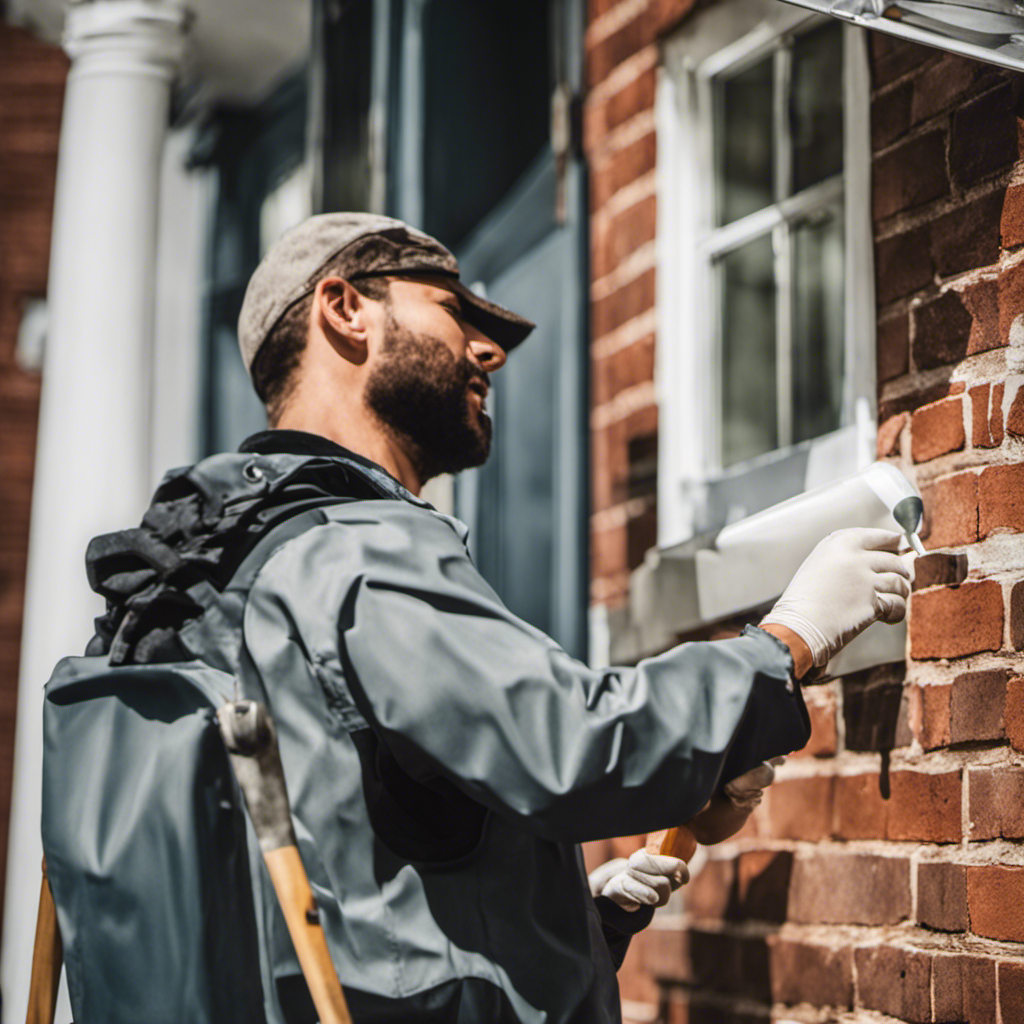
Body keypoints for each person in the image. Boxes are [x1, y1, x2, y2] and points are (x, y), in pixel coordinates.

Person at [85, 213, 911, 1023]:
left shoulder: (198, 582)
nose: (488, 352)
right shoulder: (355, 547)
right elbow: (567, 746)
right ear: (345, 308)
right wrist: (785, 643)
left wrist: (571, 916)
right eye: (454, 310)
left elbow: (348, 874)